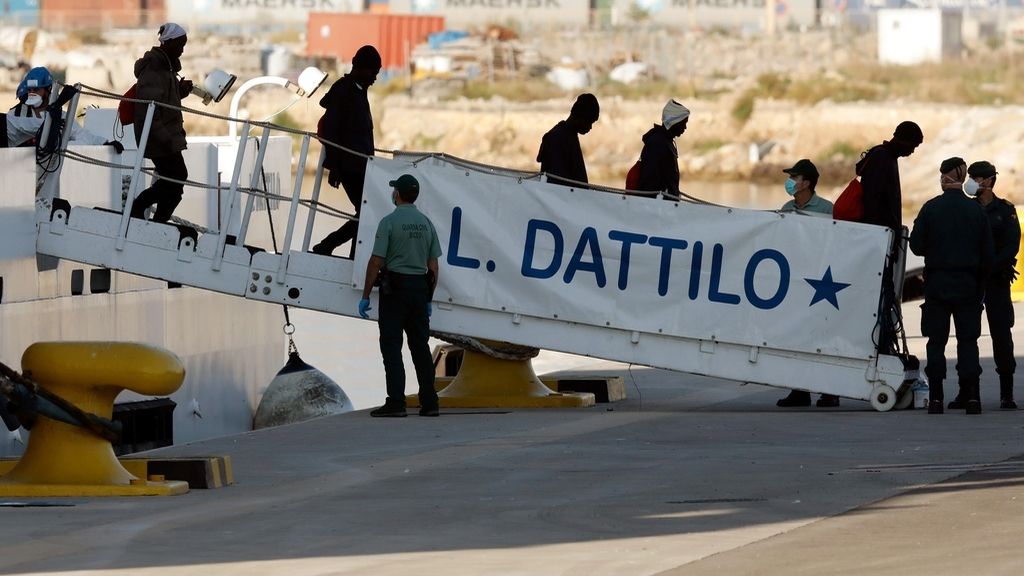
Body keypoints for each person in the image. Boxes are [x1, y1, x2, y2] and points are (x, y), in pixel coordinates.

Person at [909, 157, 994, 415]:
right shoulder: (976, 210)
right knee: (968, 342)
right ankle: (972, 398)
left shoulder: (931, 208)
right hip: (968, 285)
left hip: (937, 284)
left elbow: (916, 246)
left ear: (945, 177)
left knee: (936, 342)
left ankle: (935, 399)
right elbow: (988, 254)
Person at [359, 174, 442, 417]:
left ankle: (396, 402)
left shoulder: (389, 222)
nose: (392, 193)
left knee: (392, 347)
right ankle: (430, 403)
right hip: (419, 290)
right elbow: (434, 267)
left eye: (394, 189)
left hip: (395, 290)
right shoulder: (427, 223)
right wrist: (428, 299)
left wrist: (365, 295)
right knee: (420, 348)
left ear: (398, 194)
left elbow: (376, 262)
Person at [774, 159, 841, 408]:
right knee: (796, 335)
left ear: (808, 183)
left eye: (795, 177)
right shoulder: (786, 209)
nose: (790, 182)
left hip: (822, 282)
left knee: (823, 336)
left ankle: (830, 391)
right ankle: (799, 389)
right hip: (794, 281)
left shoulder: (827, 209)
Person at [858, 121, 923, 356]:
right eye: (913, 145)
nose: (912, 151)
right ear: (901, 138)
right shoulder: (882, 159)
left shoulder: (885, 158)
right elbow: (874, 203)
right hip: (878, 243)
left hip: (882, 241)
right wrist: (884, 238)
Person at [312, 45, 382, 257]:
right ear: (359, 67)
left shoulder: (359, 92)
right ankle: (328, 246)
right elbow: (332, 131)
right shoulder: (344, 90)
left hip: (360, 166)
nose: (375, 78)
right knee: (368, 212)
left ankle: (351, 254)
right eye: (373, 72)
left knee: (367, 211)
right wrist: (335, 168)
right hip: (350, 166)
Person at [962, 161, 1020, 410]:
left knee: (1002, 335)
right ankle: (969, 392)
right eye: (971, 176)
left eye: (976, 177)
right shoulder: (966, 209)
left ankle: (1006, 393)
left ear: (989, 181)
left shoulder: (1005, 209)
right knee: (968, 335)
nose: (972, 181)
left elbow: (1011, 245)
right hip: (972, 282)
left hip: (996, 282)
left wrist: (991, 266)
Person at [130, 23, 192, 224]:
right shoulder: (155, 69)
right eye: (181, 44)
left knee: (174, 179)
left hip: (164, 135)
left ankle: (158, 222)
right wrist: (166, 140)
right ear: (170, 42)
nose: (182, 49)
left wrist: (180, 91)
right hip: (158, 137)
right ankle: (141, 206)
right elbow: (150, 110)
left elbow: (164, 100)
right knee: (177, 177)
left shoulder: (165, 67)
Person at [7, 69, 122, 151]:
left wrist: (104, 143)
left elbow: (81, 135)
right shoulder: (15, 114)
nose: (32, 93)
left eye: (36, 90)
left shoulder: (60, 116)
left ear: (48, 89)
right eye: (29, 90)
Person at [536, 93, 600, 188]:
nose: (590, 127)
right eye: (589, 122)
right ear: (580, 117)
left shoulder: (568, 135)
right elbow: (558, 183)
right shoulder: (557, 138)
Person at [636, 99, 689, 200]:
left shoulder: (665, 141)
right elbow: (649, 182)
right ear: (674, 121)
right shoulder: (658, 143)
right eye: (683, 123)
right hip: (656, 207)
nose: (685, 127)